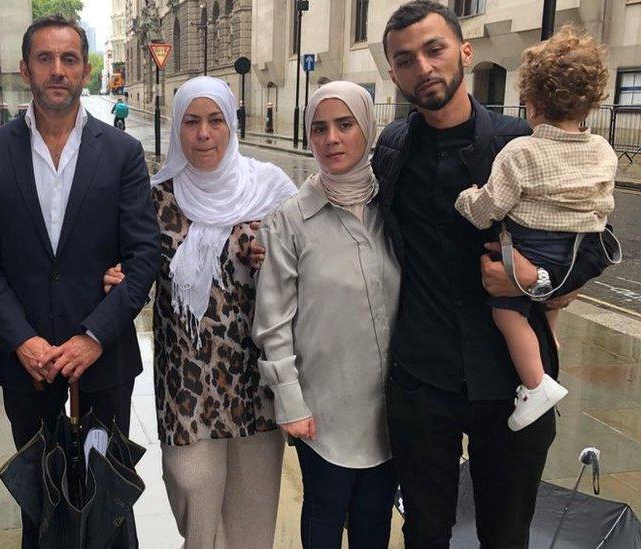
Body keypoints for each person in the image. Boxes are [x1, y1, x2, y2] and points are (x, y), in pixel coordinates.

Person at [372, 2, 614, 546]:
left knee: (506, 534)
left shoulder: (524, 143)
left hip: (510, 379)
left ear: (464, 51)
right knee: (424, 531)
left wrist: (536, 281)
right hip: (421, 375)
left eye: (434, 50)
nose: (424, 67)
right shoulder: (391, 149)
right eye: (406, 59)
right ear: (394, 73)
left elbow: (595, 241)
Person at [0, 14, 159, 548]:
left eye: (69, 59)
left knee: (108, 501)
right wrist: (21, 339)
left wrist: (92, 337)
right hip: (28, 365)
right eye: (44, 59)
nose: (57, 70)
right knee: (41, 497)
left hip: (104, 360)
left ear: (83, 69)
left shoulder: (121, 154)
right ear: (26, 69)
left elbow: (144, 256)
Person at [136, 76, 295, 549]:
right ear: (177, 130)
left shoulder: (271, 188)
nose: (203, 134)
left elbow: (310, 264)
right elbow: (132, 264)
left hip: (256, 378)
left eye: (215, 121)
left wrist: (278, 260)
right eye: (191, 121)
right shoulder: (155, 195)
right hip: (186, 382)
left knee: (252, 506)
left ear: (232, 126)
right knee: (192, 487)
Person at [253, 81, 399, 549]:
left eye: (344, 124)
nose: (332, 138)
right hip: (324, 407)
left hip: (391, 406)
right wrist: (289, 401)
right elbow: (272, 321)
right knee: (324, 515)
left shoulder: (393, 207)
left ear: (367, 129)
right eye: (319, 128)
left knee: (374, 520)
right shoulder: (291, 220)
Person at [454, 27, 617, 432]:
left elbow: (489, 208)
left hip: (533, 245)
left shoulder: (522, 151)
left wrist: (465, 197)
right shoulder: (602, 150)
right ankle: (551, 347)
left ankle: (536, 383)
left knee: (507, 311)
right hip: (580, 247)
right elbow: (603, 202)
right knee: (548, 307)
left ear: (533, 101)